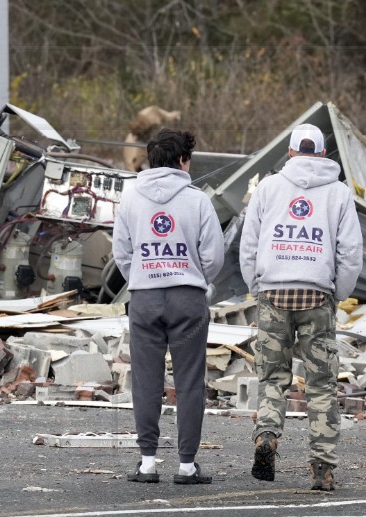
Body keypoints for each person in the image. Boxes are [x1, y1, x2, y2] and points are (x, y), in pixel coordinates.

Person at [239, 123, 363, 491]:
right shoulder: (339, 193)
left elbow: (249, 244)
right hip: (317, 295)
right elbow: (351, 252)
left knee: (272, 376)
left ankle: (267, 436)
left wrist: (257, 286)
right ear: (324, 154)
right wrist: (336, 292)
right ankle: (322, 469)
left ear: (290, 153)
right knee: (321, 384)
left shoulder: (268, 187)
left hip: (274, 293)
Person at [113, 128, 225, 485]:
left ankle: (147, 463)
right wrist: (193, 277)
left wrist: (144, 276)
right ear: (182, 161)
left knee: (146, 382)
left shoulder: (130, 199)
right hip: (187, 299)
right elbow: (214, 256)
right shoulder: (198, 200)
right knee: (189, 382)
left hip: (144, 299)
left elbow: (122, 252)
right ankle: (187, 466)